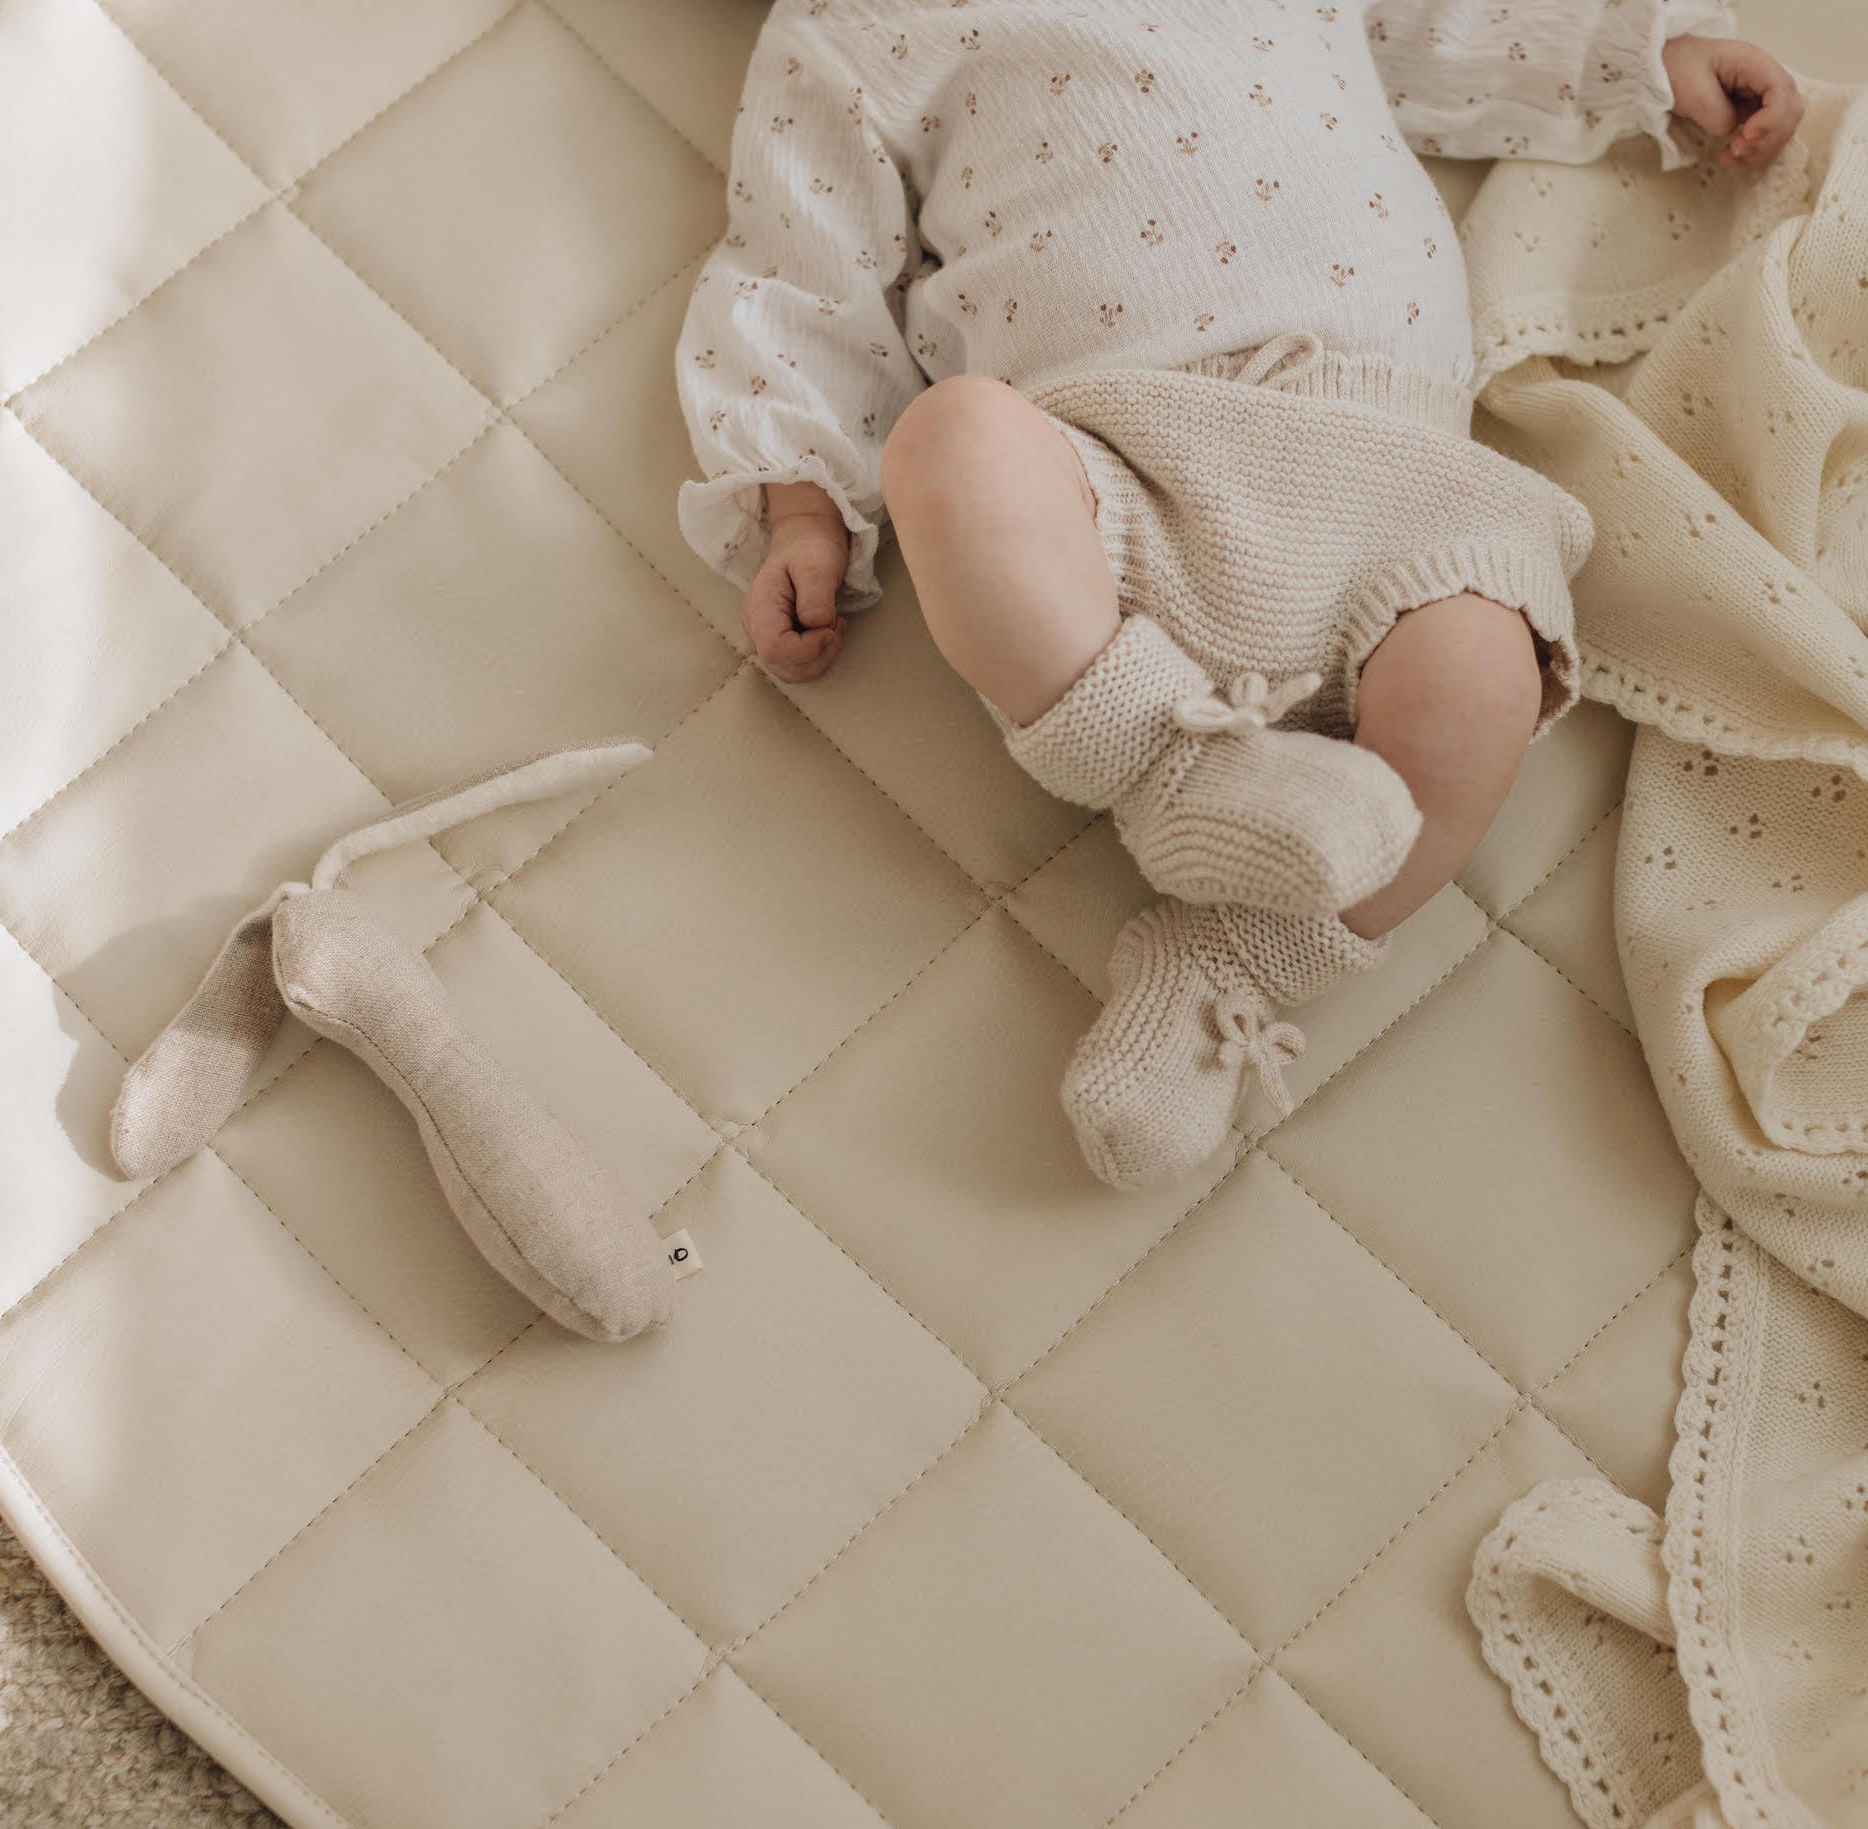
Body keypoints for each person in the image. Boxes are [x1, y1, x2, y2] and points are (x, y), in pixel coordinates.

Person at [674, 1, 1804, 1186]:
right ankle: (1174, 768)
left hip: (1389, 476)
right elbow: (797, 268)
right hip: (1116, 468)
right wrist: (799, 504)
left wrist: (1640, 56)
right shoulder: (848, 29)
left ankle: (1229, 966)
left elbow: (1435, 23)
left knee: (1483, 673)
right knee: (946, 442)